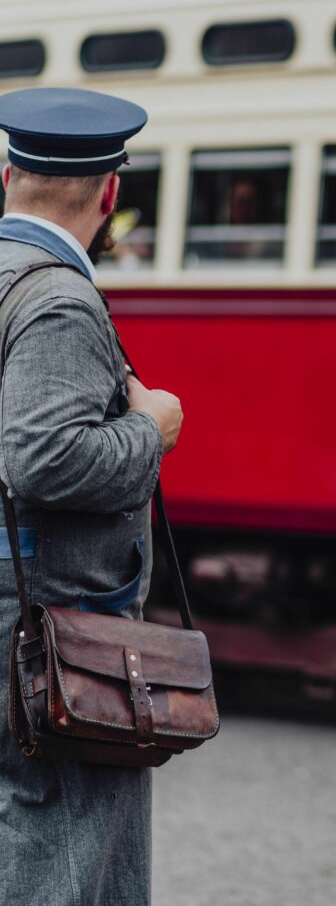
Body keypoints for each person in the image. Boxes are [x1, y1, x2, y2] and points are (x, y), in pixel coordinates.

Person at [0, 87, 184, 906]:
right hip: (46, 629)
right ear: (110, 196)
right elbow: (42, 459)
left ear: (7, 175)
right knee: (66, 854)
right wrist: (153, 430)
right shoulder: (60, 299)